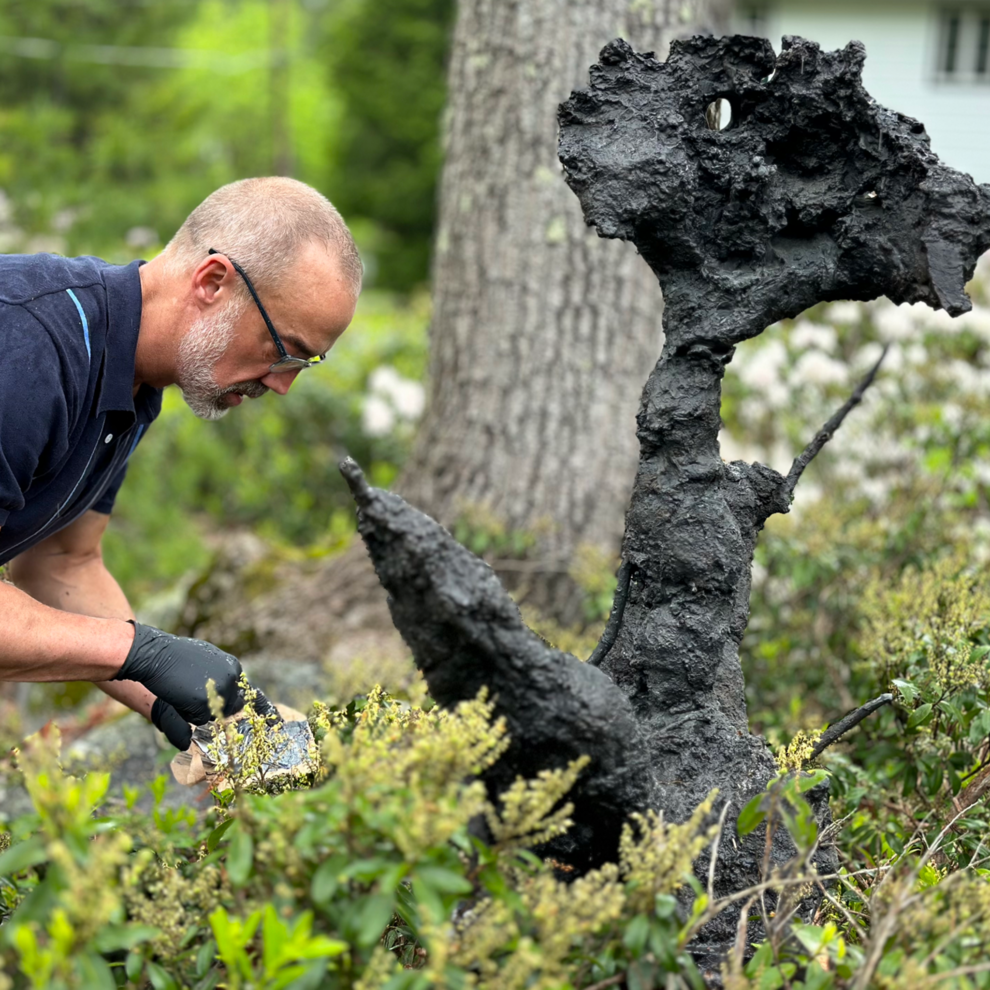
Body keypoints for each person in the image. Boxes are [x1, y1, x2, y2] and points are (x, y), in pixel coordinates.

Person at [0, 177, 362, 750]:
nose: (284, 384)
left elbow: (64, 562)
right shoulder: (24, 351)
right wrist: (140, 652)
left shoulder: (130, 375)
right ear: (213, 281)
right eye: (282, 349)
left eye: (305, 364)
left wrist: (190, 710)